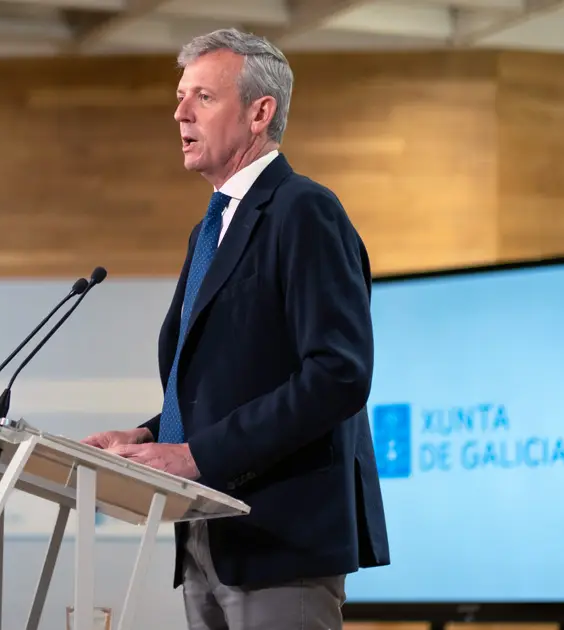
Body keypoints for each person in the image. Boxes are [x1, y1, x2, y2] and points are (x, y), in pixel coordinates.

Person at [82, 28, 389, 630]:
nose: (179, 113)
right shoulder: (210, 229)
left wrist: (196, 456)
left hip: (279, 539)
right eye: (179, 97)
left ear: (259, 113)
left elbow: (338, 374)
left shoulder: (304, 210)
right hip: (209, 536)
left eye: (202, 96)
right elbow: (227, 380)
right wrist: (148, 435)